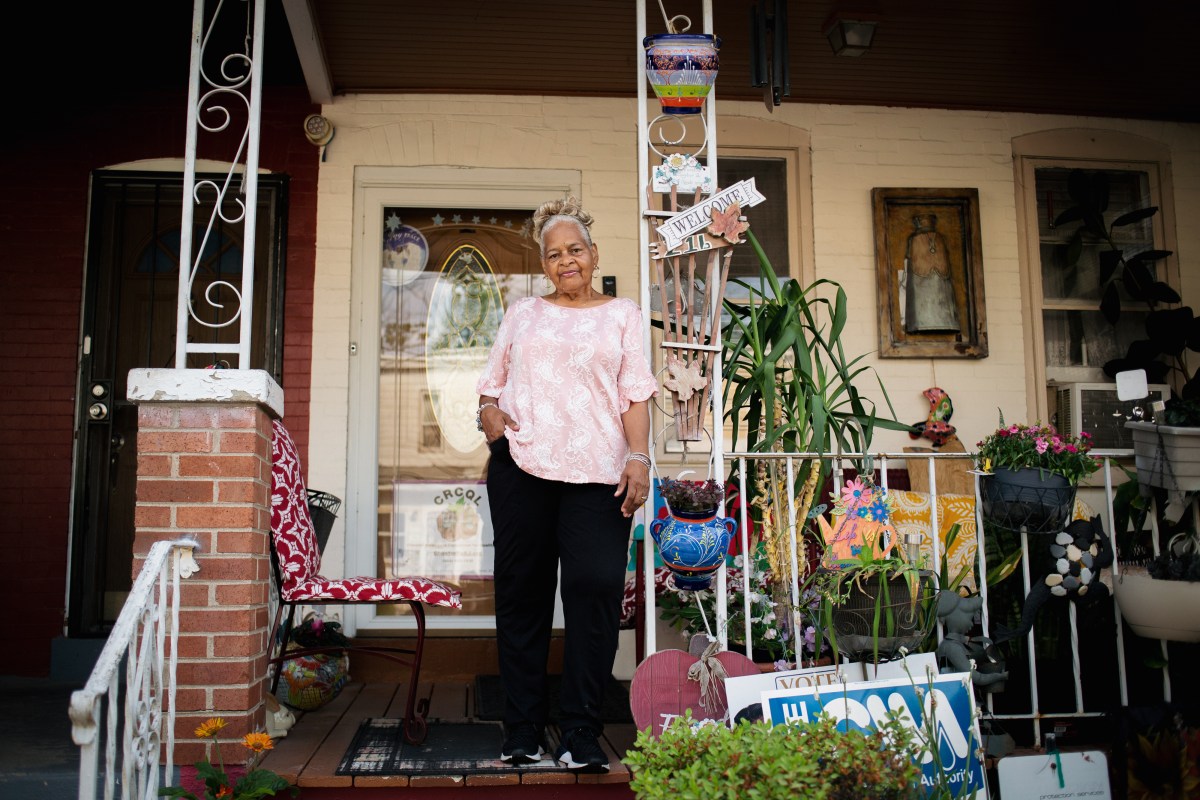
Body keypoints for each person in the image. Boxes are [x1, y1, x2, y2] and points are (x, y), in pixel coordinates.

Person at [475, 197, 657, 773]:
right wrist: (490, 417)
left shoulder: (623, 314)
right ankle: (522, 728)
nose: (566, 261)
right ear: (544, 264)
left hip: (600, 475)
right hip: (522, 467)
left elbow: (635, 394)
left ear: (593, 253)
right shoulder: (523, 313)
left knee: (595, 590)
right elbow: (491, 383)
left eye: (575, 250)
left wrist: (639, 458)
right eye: (554, 254)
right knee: (523, 595)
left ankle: (581, 730)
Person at [903, 213, 961, 333]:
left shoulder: (916, 239)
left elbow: (907, 259)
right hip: (922, 279)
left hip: (930, 278)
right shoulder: (936, 238)